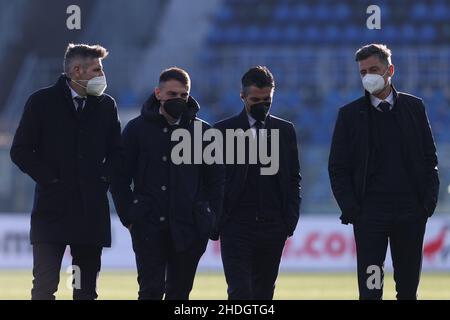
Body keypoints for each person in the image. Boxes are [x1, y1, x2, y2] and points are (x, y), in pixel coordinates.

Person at [10, 43, 121, 300]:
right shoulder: (41, 102)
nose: (102, 76)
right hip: (52, 212)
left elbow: (118, 153)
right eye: (97, 69)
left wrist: (102, 179)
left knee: (85, 292)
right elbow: (21, 150)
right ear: (77, 70)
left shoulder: (106, 105)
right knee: (44, 288)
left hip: (90, 213)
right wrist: (52, 179)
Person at [328, 44, 439, 300]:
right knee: (370, 291)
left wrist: (426, 205)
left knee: (408, 290)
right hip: (370, 216)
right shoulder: (349, 115)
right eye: (363, 71)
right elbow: (338, 167)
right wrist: (354, 209)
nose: (368, 76)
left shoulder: (414, 108)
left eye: (374, 69)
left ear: (390, 70)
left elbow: (428, 158)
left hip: (411, 214)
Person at [111, 67, 225, 300]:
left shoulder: (204, 133)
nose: (178, 100)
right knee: (150, 292)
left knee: (179, 294)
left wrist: (209, 218)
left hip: (190, 229)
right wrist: (130, 216)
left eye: (183, 95)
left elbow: (217, 181)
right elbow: (119, 177)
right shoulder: (136, 130)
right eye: (172, 94)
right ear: (158, 94)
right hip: (148, 227)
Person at [213, 66, 301, 300]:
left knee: (264, 293)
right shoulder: (222, 132)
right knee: (240, 292)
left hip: (273, 226)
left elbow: (293, 178)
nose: (262, 104)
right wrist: (219, 219)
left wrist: (288, 220)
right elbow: (211, 180)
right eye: (255, 99)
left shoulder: (285, 131)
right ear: (242, 96)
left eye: (267, 99)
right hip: (236, 226)